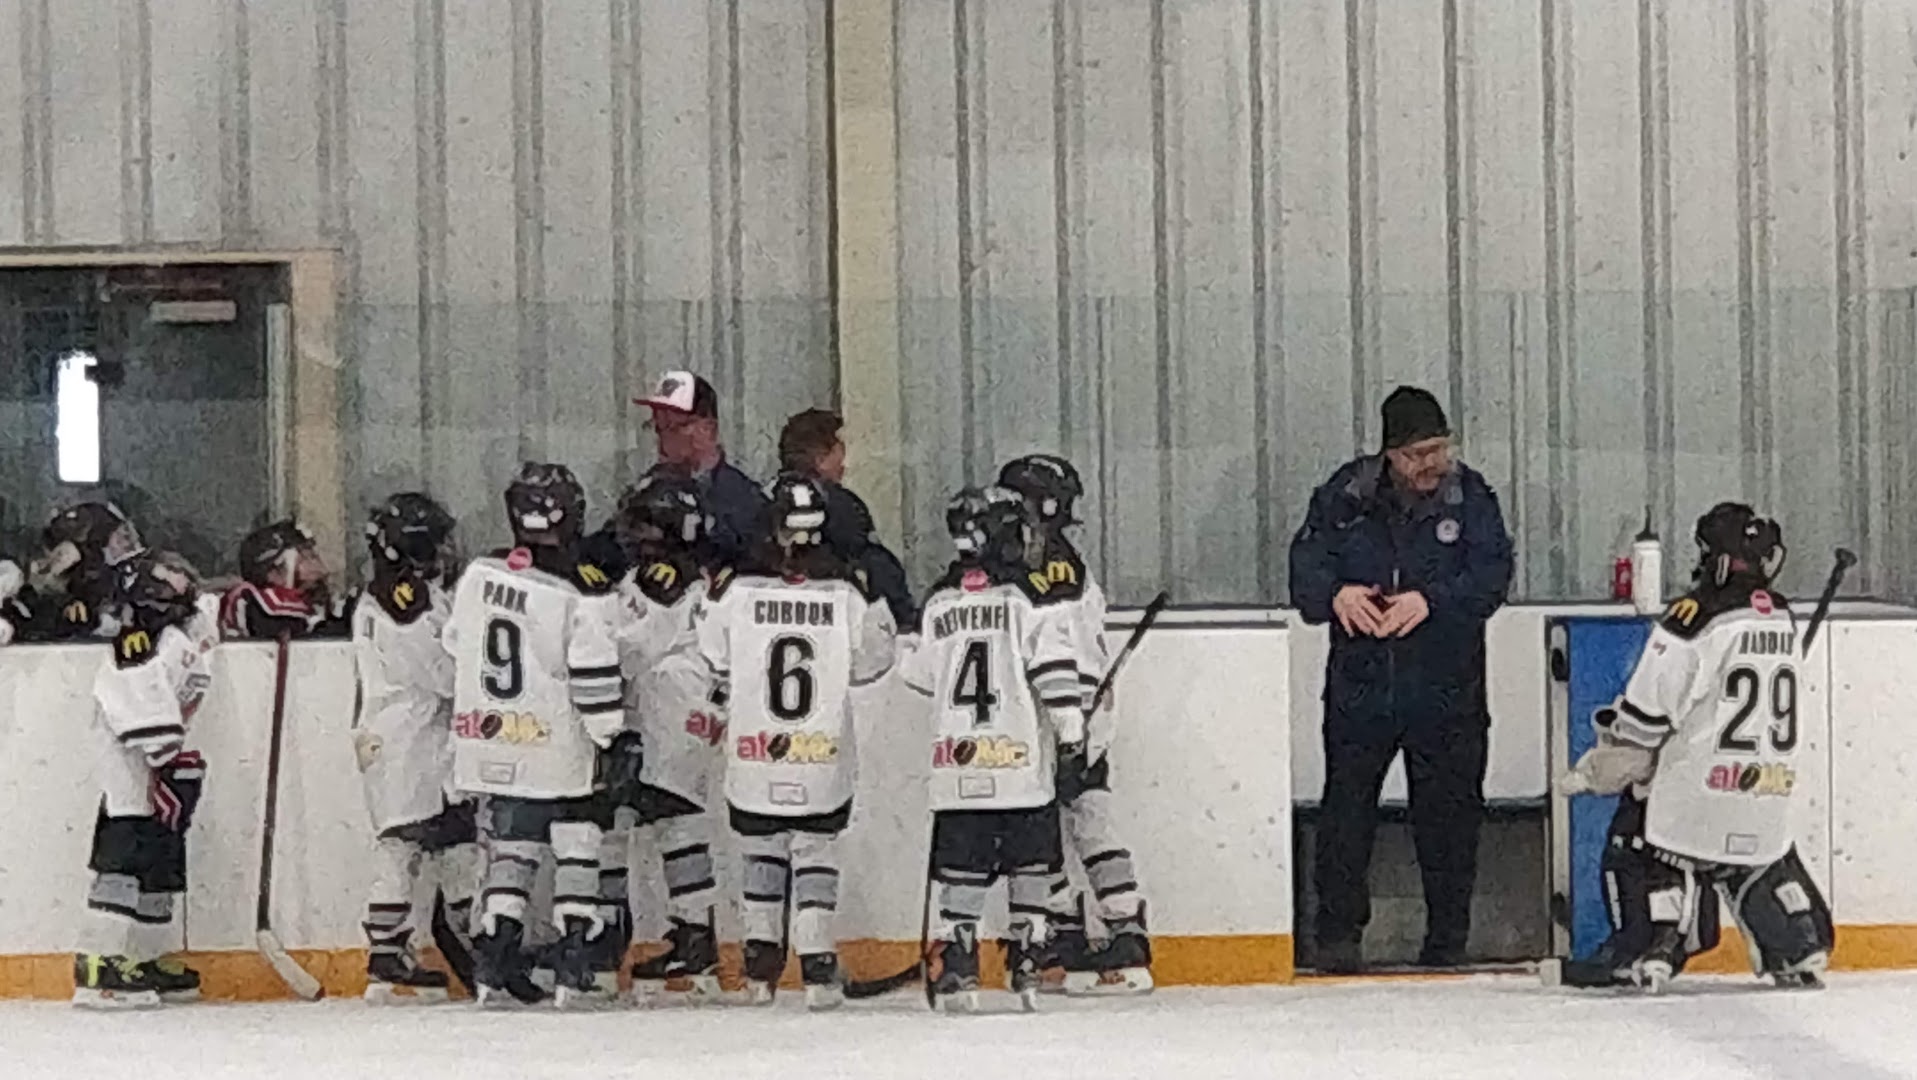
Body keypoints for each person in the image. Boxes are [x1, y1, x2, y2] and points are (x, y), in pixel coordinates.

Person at [1559, 502, 1833, 992]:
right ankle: (1797, 937)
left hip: (1697, 794)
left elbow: (1645, 719)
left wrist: (1596, 770)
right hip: (1768, 792)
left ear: (1715, 558)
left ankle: (1652, 942)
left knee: (1637, 832)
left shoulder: (1694, 615)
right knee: (1754, 851)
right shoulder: (1781, 615)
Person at [1289, 386, 1514, 972]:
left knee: (1451, 821)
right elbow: (1303, 572)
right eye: (1418, 454)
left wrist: (1431, 601)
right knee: (1346, 817)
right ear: (1389, 454)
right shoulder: (1346, 496)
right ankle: (1338, 938)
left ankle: (1447, 942)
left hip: (1448, 691)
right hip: (1361, 688)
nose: (1432, 464)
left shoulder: (1471, 498)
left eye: (1440, 449)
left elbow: (1492, 578)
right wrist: (1337, 595)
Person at [695, 474, 897, 1009]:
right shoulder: (847, 586)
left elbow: (713, 652)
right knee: (815, 851)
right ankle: (816, 964)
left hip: (755, 748)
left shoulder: (736, 586)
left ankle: (760, 968)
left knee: (761, 849)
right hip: (821, 749)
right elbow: (874, 660)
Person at [442, 463, 630, 1009]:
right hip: (558, 743)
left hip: (495, 739)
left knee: (514, 843)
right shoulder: (582, 588)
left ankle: (494, 956)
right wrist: (611, 734)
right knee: (579, 839)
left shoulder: (478, 572)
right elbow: (594, 674)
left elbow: (455, 642)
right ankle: (574, 957)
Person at [900, 486, 1087, 1012]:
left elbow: (917, 672)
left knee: (962, 868)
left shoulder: (939, 601)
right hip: (1020, 765)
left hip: (957, 768)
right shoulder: (1031, 596)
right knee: (1031, 862)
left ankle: (959, 962)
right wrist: (1072, 735)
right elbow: (1055, 671)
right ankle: (1026, 957)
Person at [997, 453, 1153, 993]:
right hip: (1085, 706)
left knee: (1047, 823)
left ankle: (1070, 930)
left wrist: (1068, 721)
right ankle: (1120, 925)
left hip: (1059, 709)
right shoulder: (1066, 561)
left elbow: (1048, 646)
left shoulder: (1032, 565)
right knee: (1088, 815)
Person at [598, 469, 725, 1002]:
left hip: (665, 713)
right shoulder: (693, 576)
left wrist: (584, 657)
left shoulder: (661, 580)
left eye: (646, 524)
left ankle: (614, 938)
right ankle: (692, 938)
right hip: (683, 710)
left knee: (635, 820)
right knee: (674, 821)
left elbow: (631, 647)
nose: (636, 534)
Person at [72, 552, 220, 1009]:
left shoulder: (177, 635)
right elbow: (143, 721)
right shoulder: (135, 646)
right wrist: (167, 758)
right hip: (130, 771)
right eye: (170, 580)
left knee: (160, 858)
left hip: (157, 768)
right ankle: (98, 963)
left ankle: (142, 956)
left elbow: (205, 632)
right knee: (126, 851)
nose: (182, 585)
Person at [350, 493, 478, 1005]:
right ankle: (387, 953)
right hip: (406, 738)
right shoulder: (402, 601)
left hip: (413, 735)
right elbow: (442, 673)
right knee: (402, 843)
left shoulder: (404, 592)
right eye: (436, 542)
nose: (446, 551)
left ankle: (469, 939)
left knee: (454, 837)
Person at [778, 408, 916, 628]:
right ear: (821, 460)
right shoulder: (842, 506)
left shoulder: (761, 501)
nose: (844, 464)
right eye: (838, 451)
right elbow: (876, 566)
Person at [636, 370, 770, 571]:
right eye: (657, 427)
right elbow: (615, 543)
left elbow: (753, 563)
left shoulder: (742, 500)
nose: (662, 439)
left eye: (673, 428)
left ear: (708, 430)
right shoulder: (649, 489)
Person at [9, 502, 144, 643]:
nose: (122, 541)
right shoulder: (15, 575)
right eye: (123, 532)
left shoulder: (107, 583)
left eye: (129, 542)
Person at [220, 520, 351, 640]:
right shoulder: (254, 601)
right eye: (307, 554)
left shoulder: (317, 602)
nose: (316, 560)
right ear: (274, 571)